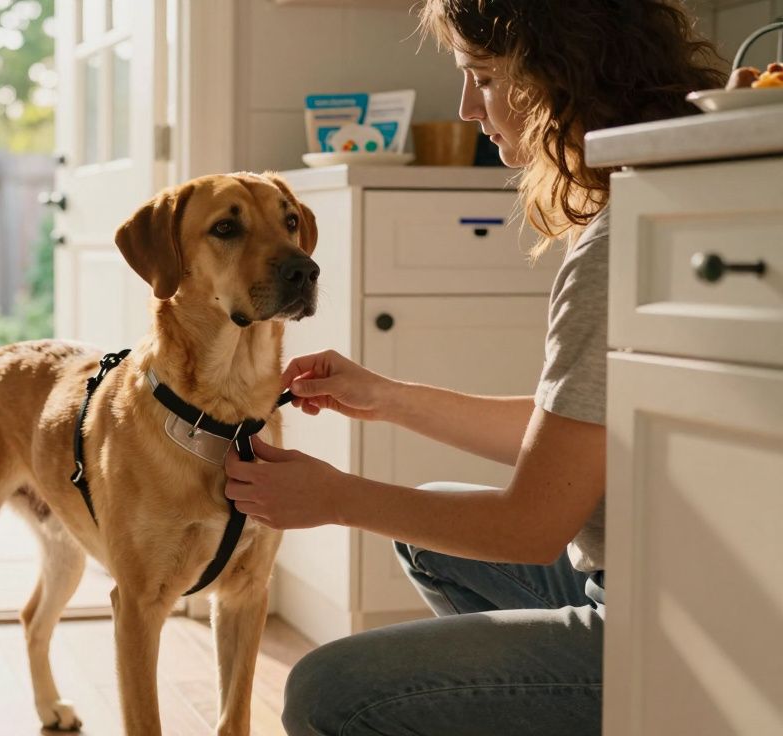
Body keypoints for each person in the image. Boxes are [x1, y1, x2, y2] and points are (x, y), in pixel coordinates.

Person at [220, 1, 727, 733]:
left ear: (561, 74)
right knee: (429, 536)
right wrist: (390, 398)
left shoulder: (618, 249)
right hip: (672, 580)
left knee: (330, 692)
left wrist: (334, 497)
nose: (466, 108)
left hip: (673, 630)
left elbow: (530, 528)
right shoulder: (664, 204)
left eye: (482, 78)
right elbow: (577, 437)